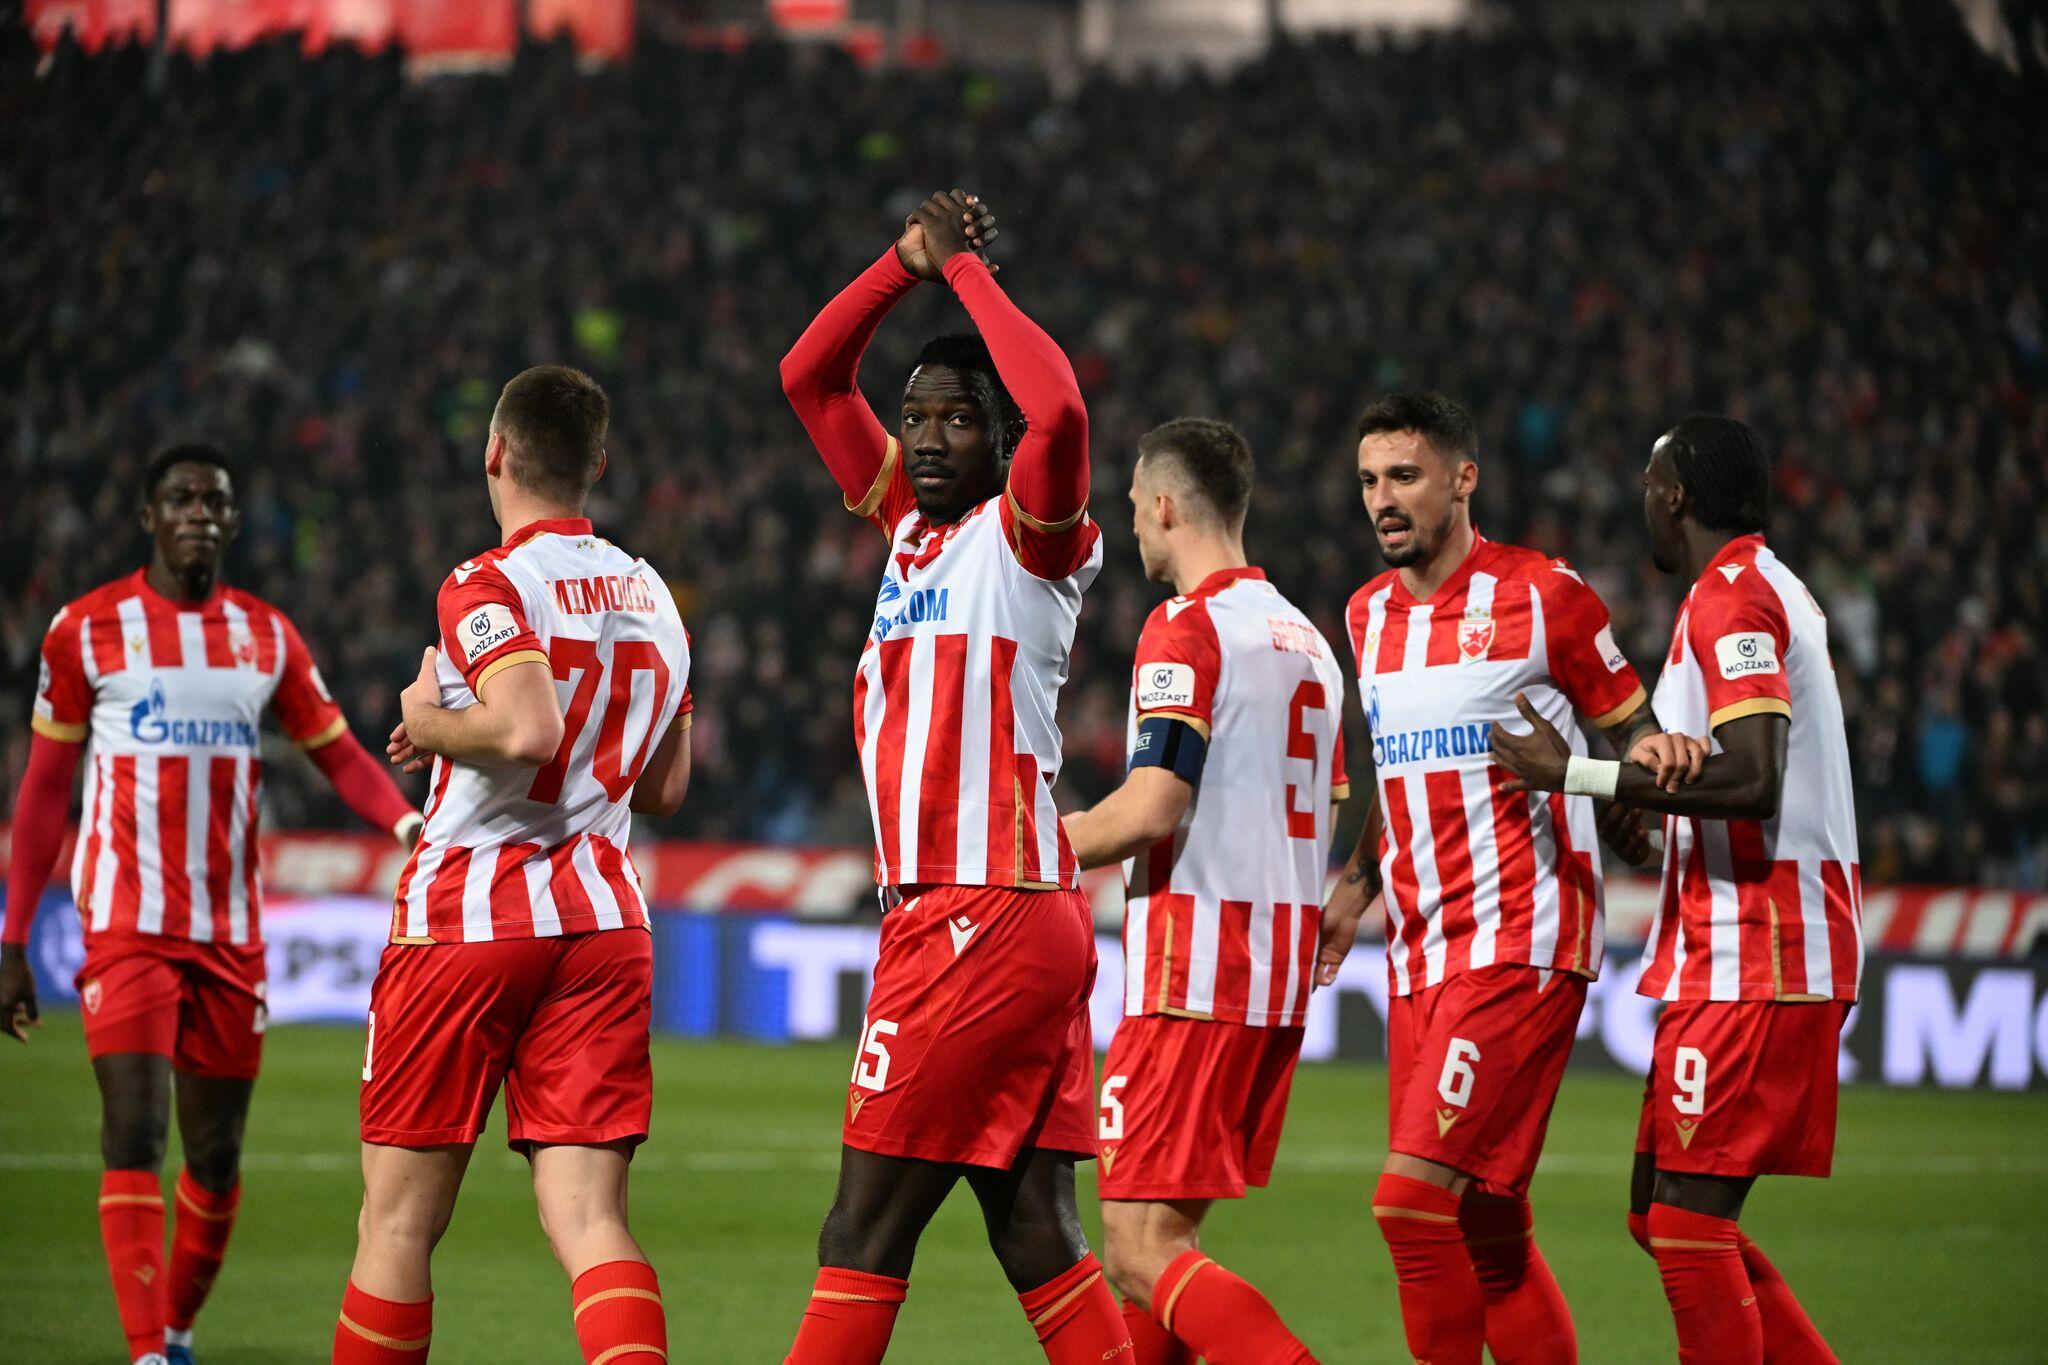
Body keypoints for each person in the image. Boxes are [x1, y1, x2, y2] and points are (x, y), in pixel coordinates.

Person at [776, 190, 1130, 1364]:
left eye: (958, 420)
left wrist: (966, 274)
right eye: (915, 418)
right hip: (996, 913)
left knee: (859, 1231)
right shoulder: (905, 530)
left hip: (979, 907)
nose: (927, 439)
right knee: (1035, 1234)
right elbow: (808, 380)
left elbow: (1060, 408)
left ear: (999, 441)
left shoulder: (1028, 538)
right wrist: (900, 262)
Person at [0, 444, 420, 1365]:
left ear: (232, 521)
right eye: (181, 498)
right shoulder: (86, 630)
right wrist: (13, 935)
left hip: (231, 932)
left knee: (217, 1158)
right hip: (127, 924)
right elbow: (43, 792)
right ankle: (148, 1352)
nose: (199, 512)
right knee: (134, 1132)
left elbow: (338, 751)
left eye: (215, 501)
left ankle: (178, 1330)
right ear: (148, 516)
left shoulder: (267, 636)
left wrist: (403, 823)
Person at [330, 366, 694, 1365]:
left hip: (470, 916)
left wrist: (423, 719)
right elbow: (666, 788)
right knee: (591, 1220)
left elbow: (528, 728)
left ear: (494, 452)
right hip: (603, 922)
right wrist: (478, 734)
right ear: (597, 465)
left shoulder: (483, 583)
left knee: (397, 1222)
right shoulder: (655, 595)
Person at [1489, 414, 1856, 1365]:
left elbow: (1755, 777)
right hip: (1725, 946)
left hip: (1762, 948)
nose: (1644, 503)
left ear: (1678, 495)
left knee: (1690, 1228)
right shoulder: (1741, 593)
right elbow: (1722, 787)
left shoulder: (1736, 596)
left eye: (1651, 486)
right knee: (1660, 1215)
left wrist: (1577, 774)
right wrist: (1642, 816)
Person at [1317, 392, 1673, 1365]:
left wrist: (1627, 807)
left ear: (1463, 478)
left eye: (1404, 476)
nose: (1381, 499)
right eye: (1368, 481)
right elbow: (1398, 768)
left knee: (1407, 1203)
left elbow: (1638, 740)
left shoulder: (1544, 595)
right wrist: (1356, 887)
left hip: (1522, 937)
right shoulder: (1366, 615)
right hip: (1419, 950)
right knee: (1485, 1223)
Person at [1062, 418, 1347, 1365]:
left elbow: (1152, 806)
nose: (1133, 527)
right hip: (1272, 980)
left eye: (1134, 507)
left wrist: (1032, 845)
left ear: (1165, 505)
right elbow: (1327, 804)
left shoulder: (1186, 626)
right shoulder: (1308, 640)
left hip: (1194, 975)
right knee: (1168, 1241)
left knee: (1136, 1250)